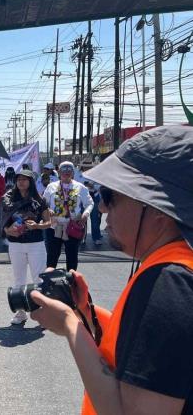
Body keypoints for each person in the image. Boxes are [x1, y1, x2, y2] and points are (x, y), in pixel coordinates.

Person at [31, 125, 193, 415]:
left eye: (111, 195)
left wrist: (70, 325)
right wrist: (87, 314)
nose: (103, 208)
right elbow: (142, 349)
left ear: (157, 209)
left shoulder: (171, 283)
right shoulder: (178, 267)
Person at [0, 170, 51, 325]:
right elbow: (3, 222)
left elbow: (48, 222)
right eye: (18, 179)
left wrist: (37, 225)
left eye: (24, 179)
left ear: (31, 181)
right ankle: (21, 312)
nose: (21, 182)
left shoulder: (39, 200)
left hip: (36, 244)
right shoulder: (8, 199)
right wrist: (8, 230)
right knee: (19, 279)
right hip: (16, 245)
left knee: (39, 279)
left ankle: (41, 313)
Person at [42, 162, 93, 271]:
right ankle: (49, 283)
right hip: (54, 227)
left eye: (69, 172)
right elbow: (43, 203)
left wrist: (85, 214)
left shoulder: (80, 187)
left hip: (72, 227)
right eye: (64, 172)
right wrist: (48, 210)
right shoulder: (51, 186)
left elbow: (90, 203)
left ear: (73, 173)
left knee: (72, 257)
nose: (66, 174)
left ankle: (72, 284)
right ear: (59, 172)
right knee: (52, 257)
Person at [85, 180, 103, 245]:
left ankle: (96, 238)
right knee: (82, 221)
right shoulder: (76, 173)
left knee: (95, 221)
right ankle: (81, 238)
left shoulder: (97, 174)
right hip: (83, 200)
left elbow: (102, 186)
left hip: (95, 200)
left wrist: (93, 187)